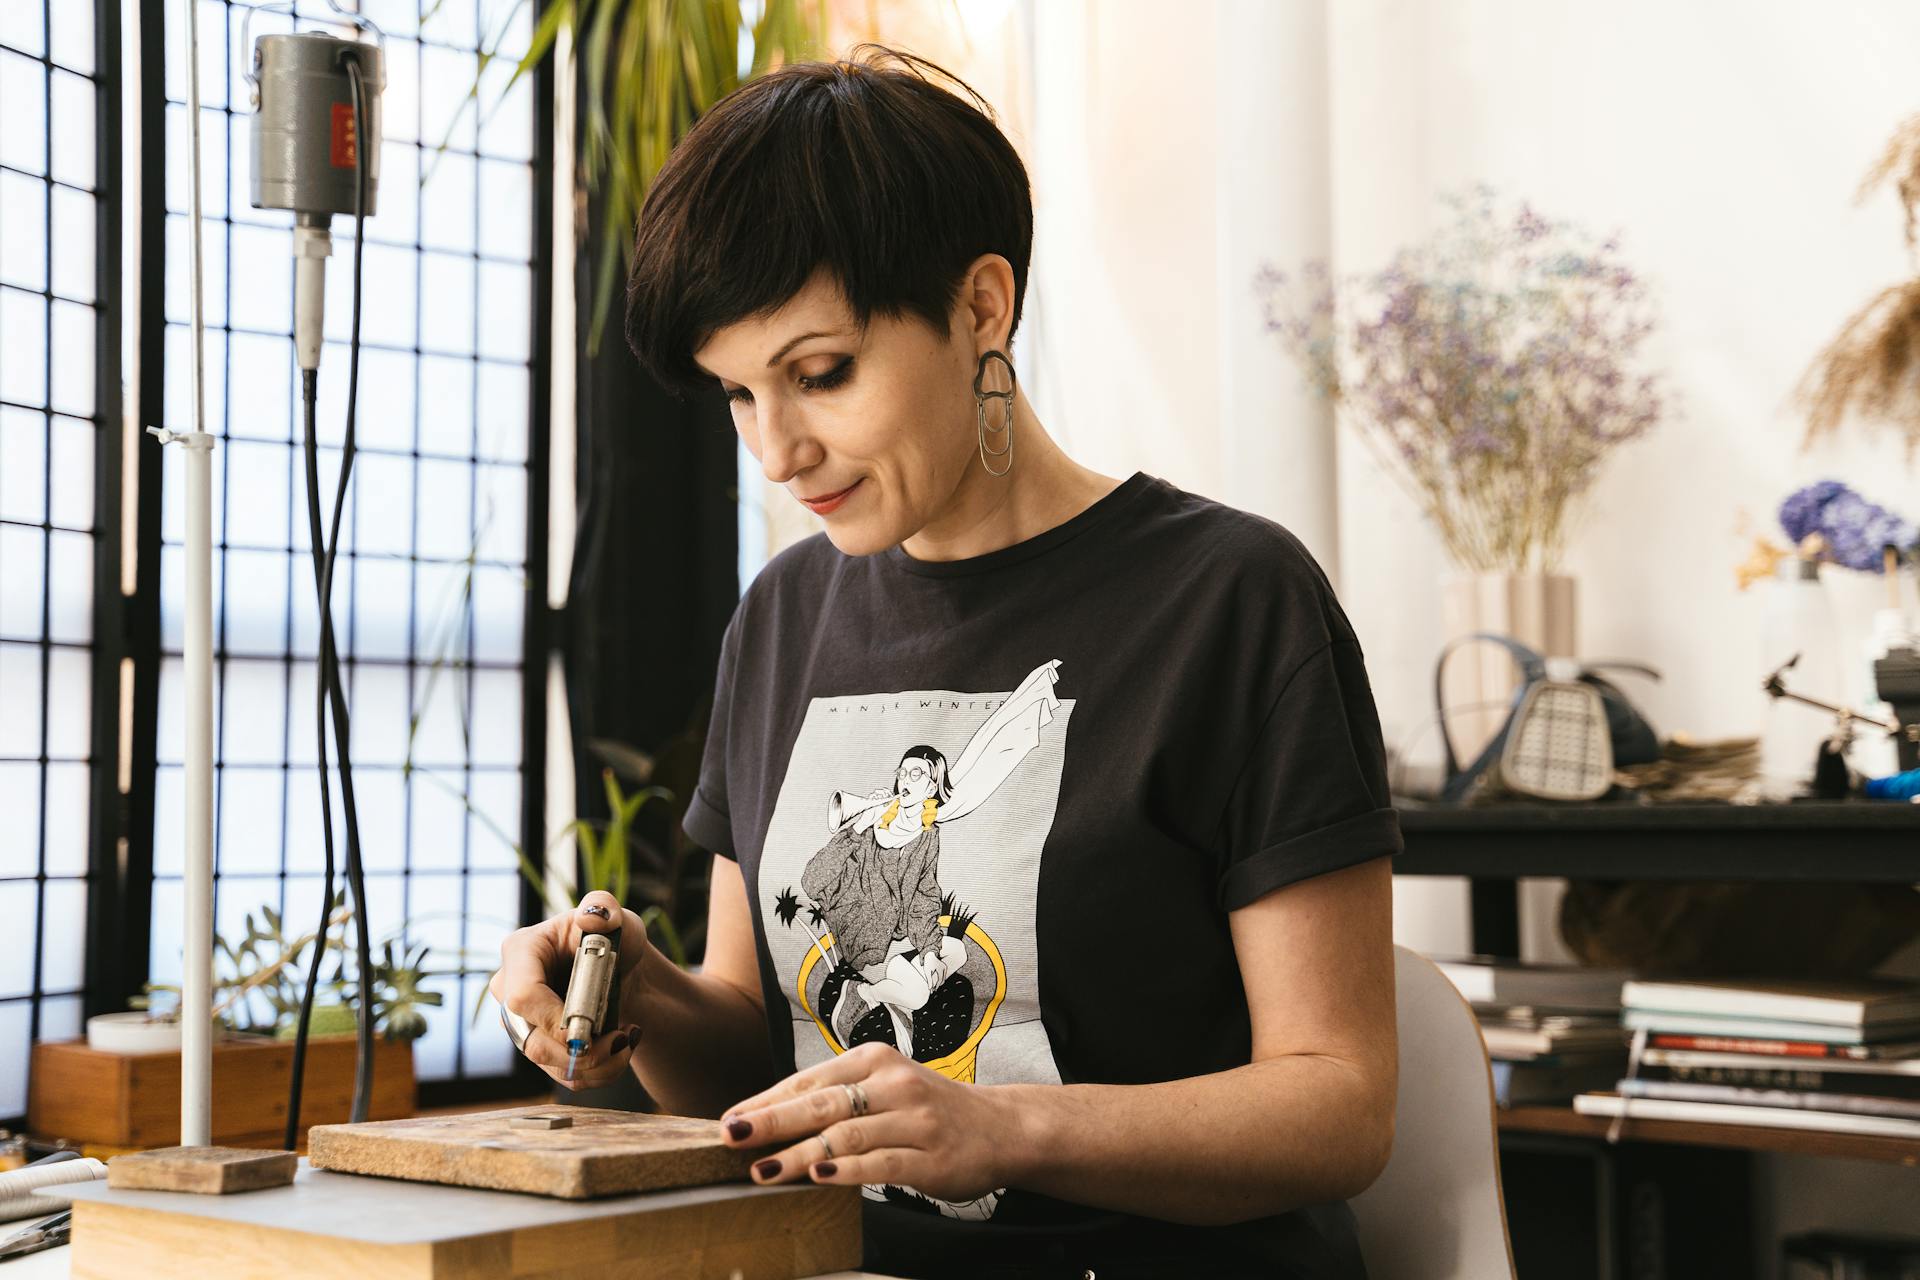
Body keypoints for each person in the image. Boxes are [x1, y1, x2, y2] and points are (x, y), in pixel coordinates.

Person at [492, 44, 1401, 1280]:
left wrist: (1002, 1125)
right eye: (737, 395)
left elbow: (1339, 1102)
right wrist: (634, 990)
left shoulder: (1230, 599)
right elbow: (756, 1054)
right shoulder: (781, 615)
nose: (777, 449)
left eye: (820, 375)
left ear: (982, 305)